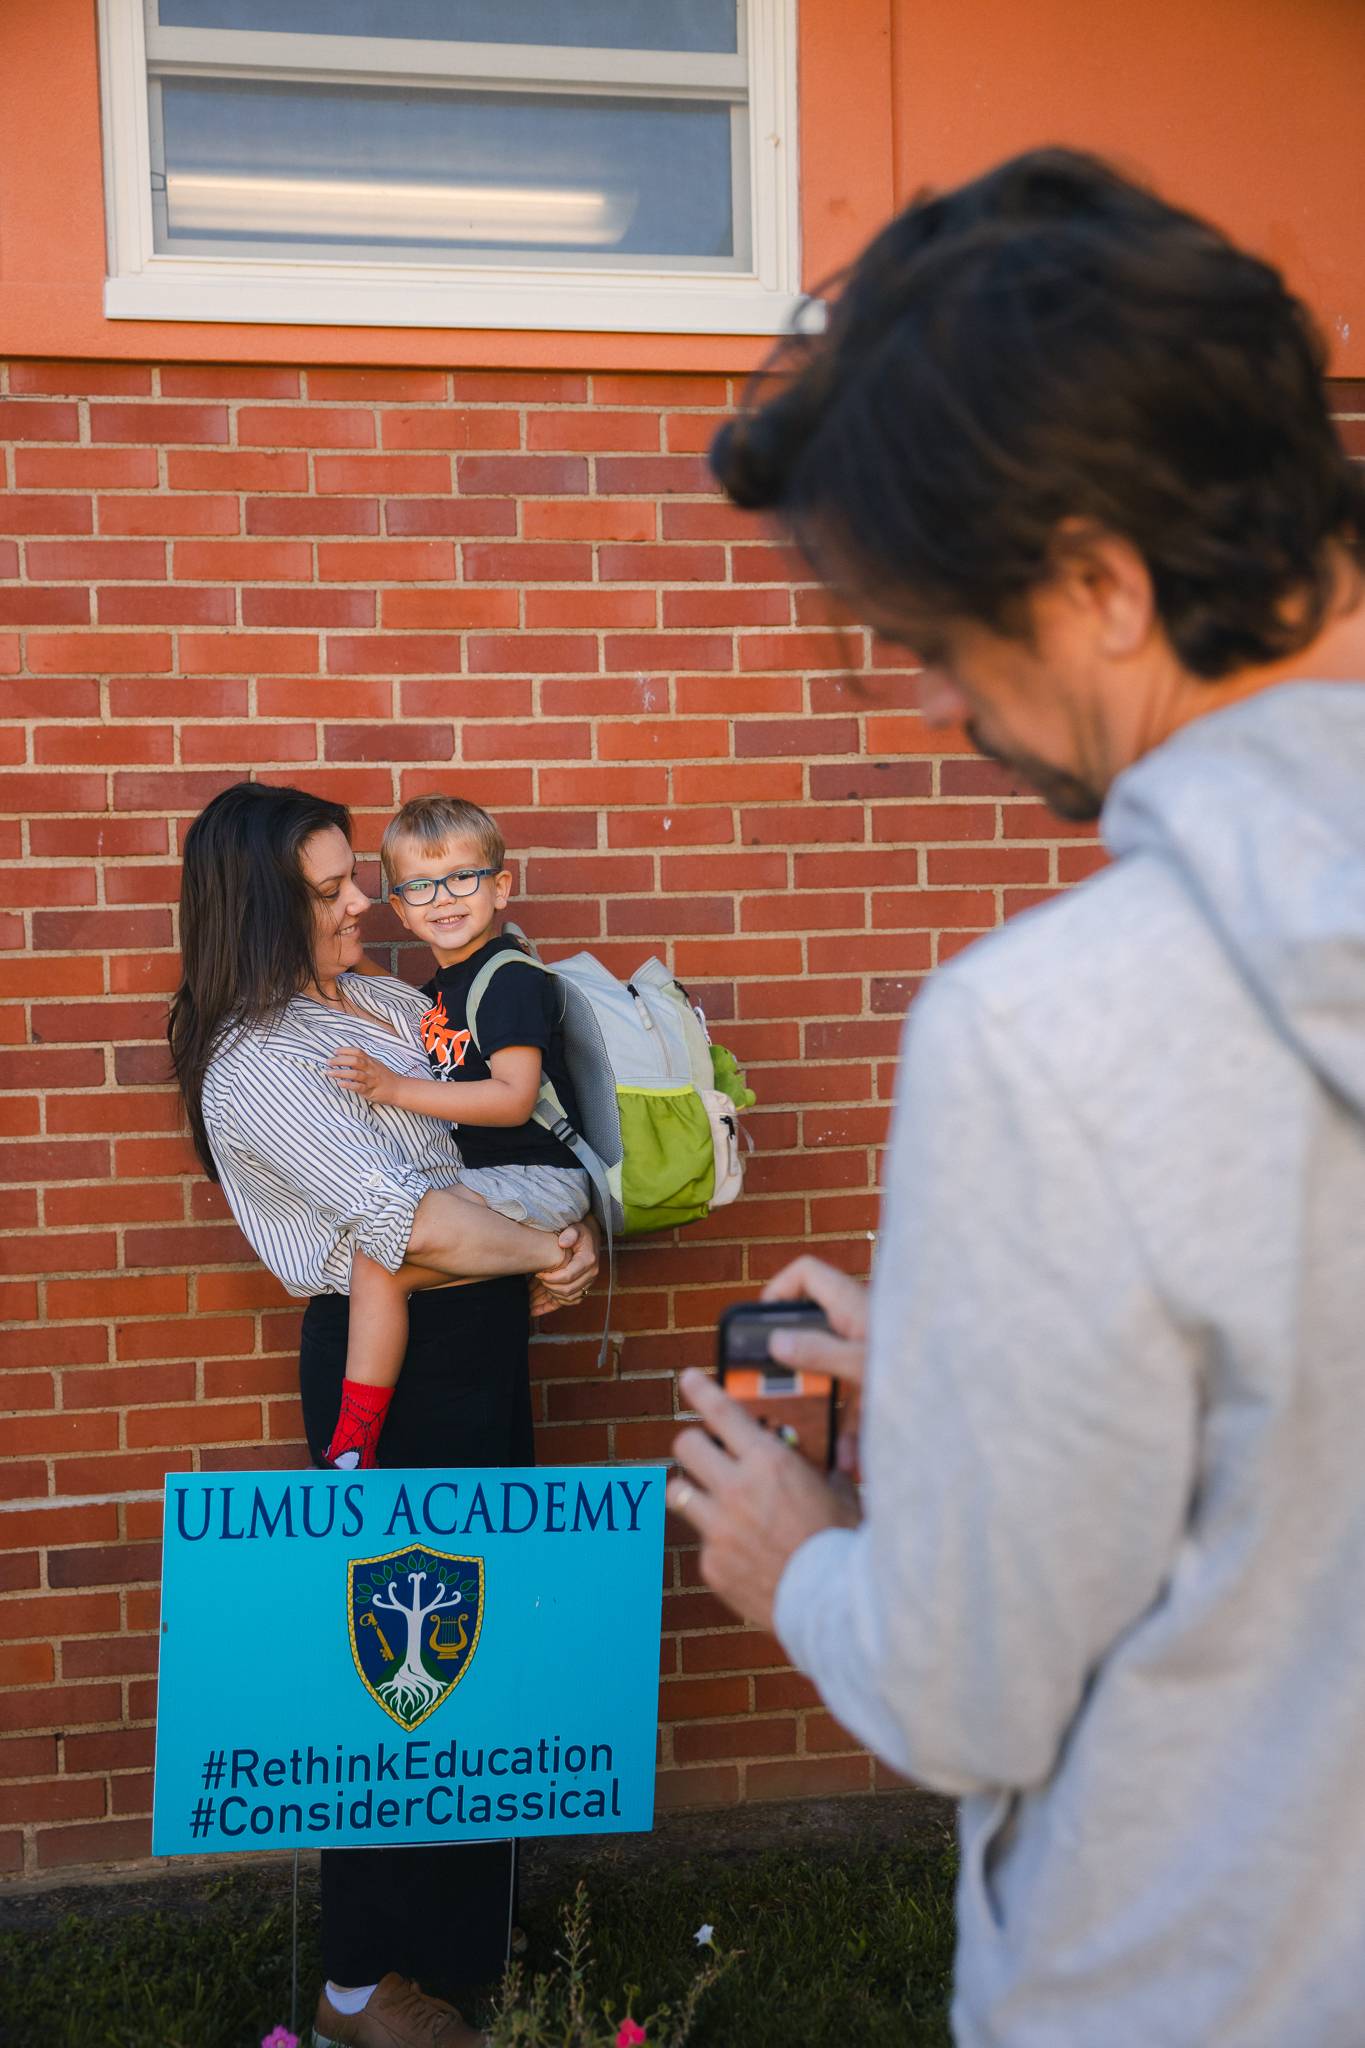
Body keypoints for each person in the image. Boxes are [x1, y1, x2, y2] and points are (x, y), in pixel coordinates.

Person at [669, 148, 1365, 2047]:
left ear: (1098, 584)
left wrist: (805, 1559)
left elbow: (965, 1689)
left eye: (933, 643)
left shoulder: (1051, 1030)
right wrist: (988, 1371)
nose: (933, 709)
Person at [169, 778, 598, 2048]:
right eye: (329, 889)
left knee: (484, 1649)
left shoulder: (391, 1005)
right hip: (387, 1376)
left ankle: (459, 1948)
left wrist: (563, 1237)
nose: (365, 901)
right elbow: (410, 1226)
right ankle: (357, 1980)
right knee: (391, 1678)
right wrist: (547, 1248)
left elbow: (494, 1158)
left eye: (355, 874)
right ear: (261, 910)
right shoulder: (254, 1065)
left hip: (481, 1345)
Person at [322, 794, 591, 1471]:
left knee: (381, 1259)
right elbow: (406, 1006)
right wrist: (336, 957)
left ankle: (352, 1442)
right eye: (420, 886)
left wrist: (392, 1088)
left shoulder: (509, 980)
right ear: (401, 908)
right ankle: (356, 1438)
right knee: (382, 1262)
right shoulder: (445, 987)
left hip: (537, 1176)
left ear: (500, 886)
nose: (443, 899)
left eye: (462, 878)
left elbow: (513, 1099)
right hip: (493, 1179)